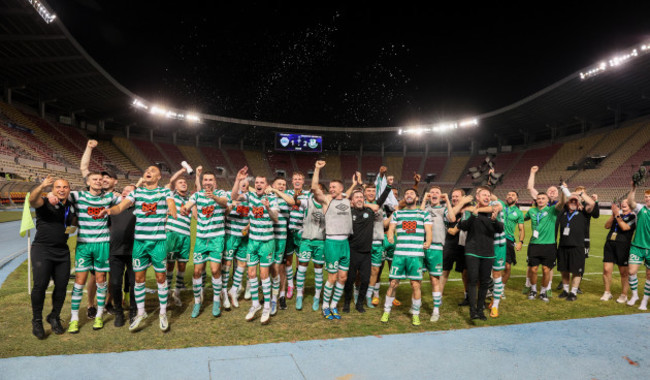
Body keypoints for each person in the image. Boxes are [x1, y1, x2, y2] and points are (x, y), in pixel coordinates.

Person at [101, 165, 177, 332]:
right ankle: (141, 312)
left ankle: (163, 313)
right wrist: (110, 210)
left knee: (161, 277)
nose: (148, 172)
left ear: (158, 177)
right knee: (139, 279)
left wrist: (172, 211)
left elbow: (171, 204)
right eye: (147, 170)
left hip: (158, 242)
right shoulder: (137, 193)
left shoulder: (165, 192)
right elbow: (121, 207)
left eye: (152, 171)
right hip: (140, 242)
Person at [66, 172, 119, 333]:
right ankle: (74, 318)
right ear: (88, 182)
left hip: (103, 244)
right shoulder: (78, 196)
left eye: (100, 180)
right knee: (80, 281)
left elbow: (128, 200)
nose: (98, 182)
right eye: (94, 179)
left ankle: (99, 315)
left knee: (101, 279)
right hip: (84, 244)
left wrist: (122, 195)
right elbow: (60, 195)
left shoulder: (109, 197)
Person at [231, 167, 280, 324]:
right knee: (251, 274)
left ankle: (266, 306)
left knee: (264, 275)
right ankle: (255, 304)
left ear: (266, 185)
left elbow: (276, 218)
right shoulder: (250, 196)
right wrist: (238, 180)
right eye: (257, 182)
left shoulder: (272, 198)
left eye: (262, 182)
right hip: (253, 242)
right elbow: (233, 196)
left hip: (267, 243)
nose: (259, 184)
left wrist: (267, 207)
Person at [29, 176, 75, 339]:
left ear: (69, 190)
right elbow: (32, 200)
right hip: (42, 250)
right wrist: (42, 186)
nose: (62, 189)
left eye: (65, 187)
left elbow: (72, 225)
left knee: (62, 287)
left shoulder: (70, 206)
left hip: (62, 251)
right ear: (53, 189)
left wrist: (66, 233)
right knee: (40, 286)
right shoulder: (44, 201)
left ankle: (54, 317)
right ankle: (37, 321)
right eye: (58, 187)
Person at [180, 171, 229, 318]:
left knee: (215, 271)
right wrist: (184, 209)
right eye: (205, 179)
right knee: (197, 272)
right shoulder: (197, 195)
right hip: (201, 239)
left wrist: (214, 197)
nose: (208, 182)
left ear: (215, 182)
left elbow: (224, 203)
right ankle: (197, 302)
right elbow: (188, 205)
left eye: (210, 179)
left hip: (216, 239)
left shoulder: (221, 193)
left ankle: (215, 301)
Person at [380, 188, 432, 326]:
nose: (408, 195)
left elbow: (428, 230)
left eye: (412, 193)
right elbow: (391, 228)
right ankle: (386, 311)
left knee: (415, 285)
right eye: (407, 193)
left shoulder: (424, 214)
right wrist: (390, 235)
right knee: (393, 283)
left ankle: (415, 314)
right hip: (400, 254)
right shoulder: (398, 213)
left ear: (416, 198)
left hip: (416, 255)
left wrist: (429, 241)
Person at [311, 160, 353, 321]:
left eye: (335, 186)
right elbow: (315, 188)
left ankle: (334, 305)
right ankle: (325, 306)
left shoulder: (347, 200)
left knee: (343, 277)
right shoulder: (327, 200)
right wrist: (317, 169)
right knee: (332, 277)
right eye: (331, 187)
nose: (332, 188)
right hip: (332, 243)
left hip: (345, 244)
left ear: (342, 189)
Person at [458, 186, 504, 321]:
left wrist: (495, 219)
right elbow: (463, 226)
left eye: (488, 195)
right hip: (472, 251)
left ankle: (480, 310)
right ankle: (473, 311)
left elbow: (500, 229)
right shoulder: (471, 210)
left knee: (484, 282)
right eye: (484, 194)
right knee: (472, 281)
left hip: (488, 252)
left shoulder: (493, 211)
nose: (487, 197)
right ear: (477, 197)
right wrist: (474, 214)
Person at [344, 185, 381, 314]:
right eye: (356, 197)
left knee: (365, 280)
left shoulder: (369, 212)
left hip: (366, 253)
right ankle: (347, 303)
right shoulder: (348, 212)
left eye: (361, 197)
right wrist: (351, 202)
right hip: (352, 251)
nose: (359, 199)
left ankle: (360, 303)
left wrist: (365, 204)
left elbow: (377, 206)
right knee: (350, 279)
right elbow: (343, 202)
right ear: (352, 201)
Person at [524, 189, 566, 301]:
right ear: (536, 200)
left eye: (543, 198)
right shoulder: (532, 212)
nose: (540, 200)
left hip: (549, 245)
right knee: (533, 269)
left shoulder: (552, 210)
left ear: (547, 200)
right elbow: (521, 219)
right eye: (538, 198)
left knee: (546, 270)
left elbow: (561, 204)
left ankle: (543, 292)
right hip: (534, 244)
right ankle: (533, 290)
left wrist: (562, 192)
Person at [420, 186, 454, 322]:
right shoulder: (425, 209)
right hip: (422, 247)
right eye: (432, 192)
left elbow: (452, 219)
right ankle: (416, 302)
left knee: (434, 279)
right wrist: (423, 199)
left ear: (441, 196)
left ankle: (435, 310)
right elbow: (417, 217)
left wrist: (448, 200)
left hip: (436, 247)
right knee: (418, 278)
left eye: (437, 193)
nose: (434, 194)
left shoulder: (443, 209)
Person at [526, 165, 559, 294]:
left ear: (557, 194)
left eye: (554, 191)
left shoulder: (557, 205)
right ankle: (530, 285)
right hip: (537, 239)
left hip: (552, 237)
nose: (551, 192)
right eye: (549, 191)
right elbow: (530, 188)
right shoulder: (541, 200)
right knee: (533, 266)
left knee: (548, 267)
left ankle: (547, 288)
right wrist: (532, 172)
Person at [556, 192, 595, 301]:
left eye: (575, 201)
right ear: (567, 203)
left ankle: (573, 292)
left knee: (576, 271)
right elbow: (561, 202)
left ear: (578, 203)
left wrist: (581, 194)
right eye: (571, 201)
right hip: (563, 245)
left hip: (577, 247)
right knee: (564, 270)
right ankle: (565, 290)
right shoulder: (563, 212)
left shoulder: (584, 213)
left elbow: (591, 203)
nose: (573, 202)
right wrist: (565, 192)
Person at [108, 184, 137, 327]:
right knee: (115, 283)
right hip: (115, 252)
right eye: (124, 190)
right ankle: (118, 312)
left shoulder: (139, 210)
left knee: (134, 283)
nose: (125, 192)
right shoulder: (115, 209)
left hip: (134, 252)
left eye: (129, 191)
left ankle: (133, 311)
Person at [164, 168, 194, 308]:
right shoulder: (171, 196)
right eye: (180, 182)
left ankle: (177, 292)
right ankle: (168, 292)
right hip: (172, 233)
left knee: (182, 265)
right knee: (170, 264)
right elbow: (170, 182)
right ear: (175, 186)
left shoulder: (190, 200)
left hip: (186, 235)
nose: (183, 183)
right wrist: (182, 170)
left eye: (184, 182)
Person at [295, 183, 327, 311]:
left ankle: (317, 296)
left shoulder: (327, 204)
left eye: (318, 188)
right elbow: (296, 202)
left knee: (318, 270)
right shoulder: (307, 202)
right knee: (301, 269)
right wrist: (296, 195)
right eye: (314, 189)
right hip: (306, 241)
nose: (315, 190)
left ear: (322, 191)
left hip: (320, 242)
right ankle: (299, 295)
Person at [267, 177, 296, 313]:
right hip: (268, 236)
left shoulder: (287, 196)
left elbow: (292, 202)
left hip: (282, 236)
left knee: (281, 268)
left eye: (284, 184)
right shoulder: (268, 196)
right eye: (279, 184)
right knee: (269, 267)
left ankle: (282, 295)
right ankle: (270, 295)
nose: (282, 186)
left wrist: (275, 191)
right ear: (273, 184)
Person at [441, 190, 473, 305]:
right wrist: (462, 203)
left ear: (463, 197)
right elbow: (451, 216)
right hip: (450, 243)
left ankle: (467, 296)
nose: (454, 198)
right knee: (445, 270)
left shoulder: (470, 208)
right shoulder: (448, 208)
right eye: (452, 196)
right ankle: (438, 296)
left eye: (457, 196)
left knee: (465, 272)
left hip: (465, 244)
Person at [225, 176, 252, 308]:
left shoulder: (250, 199)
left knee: (242, 263)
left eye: (246, 185)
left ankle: (234, 290)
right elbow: (223, 213)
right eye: (242, 184)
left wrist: (249, 226)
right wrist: (231, 205)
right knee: (228, 264)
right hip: (230, 235)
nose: (244, 186)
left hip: (244, 236)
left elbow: (255, 215)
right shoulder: (228, 196)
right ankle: (224, 292)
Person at [601, 200, 635, 303]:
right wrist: (613, 215)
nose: (624, 204)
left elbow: (625, 227)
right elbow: (606, 226)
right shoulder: (617, 216)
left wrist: (617, 216)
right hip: (610, 244)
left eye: (626, 203)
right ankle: (607, 292)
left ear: (630, 206)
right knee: (606, 270)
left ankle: (624, 295)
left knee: (624, 272)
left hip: (623, 246)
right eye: (623, 203)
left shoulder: (632, 217)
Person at [284, 172, 310, 300]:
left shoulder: (308, 194)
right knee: (288, 261)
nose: (297, 180)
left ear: (303, 181)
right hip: (289, 232)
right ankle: (290, 285)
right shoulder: (287, 193)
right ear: (292, 181)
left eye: (300, 178)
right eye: (295, 179)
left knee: (301, 261)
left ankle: (301, 285)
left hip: (302, 232)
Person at [625, 185, 650, 310]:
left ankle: (644, 301)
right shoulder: (641, 209)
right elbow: (630, 202)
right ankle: (634, 295)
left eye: (649, 197)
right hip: (637, 246)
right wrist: (633, 189)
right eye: (646, 197)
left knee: (649, 275)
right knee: (631, 271)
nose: (647, 199)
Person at [502, 191, 525, 288]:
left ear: (517, 199)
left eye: (513, 195)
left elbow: (521, 229)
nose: (510, 196)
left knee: (507, 267)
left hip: (509, 239)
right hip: (496, 238)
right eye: (508, 194)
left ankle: (500, 289)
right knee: (493, 264)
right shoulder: (501, 206)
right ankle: (492, 286)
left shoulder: (519, 213)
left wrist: (520, 242)